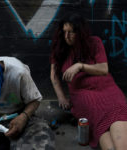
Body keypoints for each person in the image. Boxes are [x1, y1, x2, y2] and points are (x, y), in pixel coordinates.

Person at [50, 13, 127, 150]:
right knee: (99, 118)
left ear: (80, 32)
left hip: (107, 88)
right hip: (82, 93)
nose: (66, 36)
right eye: (64, 32)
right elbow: (54, 76)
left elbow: (104, 69)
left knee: (117, 109)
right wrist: (61, 97)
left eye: (71, 32)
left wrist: (80, 66)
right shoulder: (60, 49)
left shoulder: (94, 43)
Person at [0, 55, 55, 150]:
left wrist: (24, 117)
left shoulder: (18, 73)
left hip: (18, 114)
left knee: (41, 140)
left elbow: (35, 100)